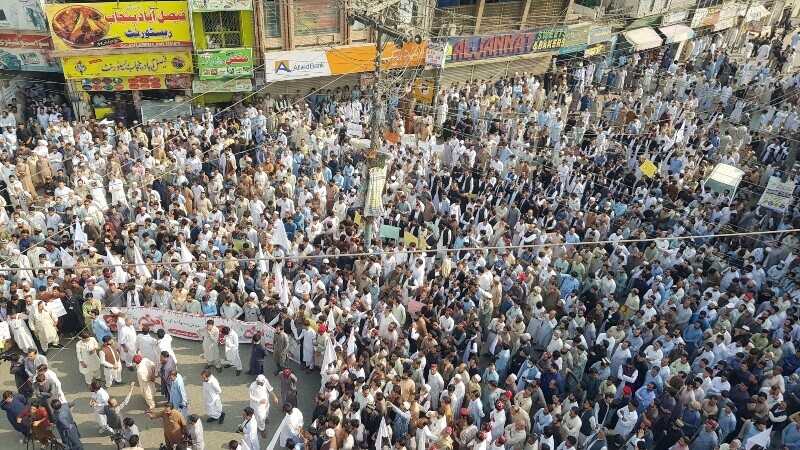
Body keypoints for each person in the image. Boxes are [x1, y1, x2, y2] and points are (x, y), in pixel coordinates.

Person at [249, 374, 280, 439]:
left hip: (265, 402)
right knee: (260, 417)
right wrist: (259, 400)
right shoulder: (252, 386)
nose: (263, 384)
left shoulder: (265, 381)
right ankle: (262, 429)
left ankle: (265, 418)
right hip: (257, 405)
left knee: (266, 412)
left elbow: (270, 388)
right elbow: (250, 396)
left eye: (263, 382)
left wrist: (274, 396)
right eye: (261, 383)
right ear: (257, 381)